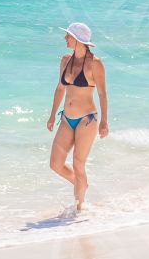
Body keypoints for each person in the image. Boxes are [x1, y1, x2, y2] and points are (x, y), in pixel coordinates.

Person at [46, 22, 108, 213]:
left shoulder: (95, 64)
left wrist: (104, 121)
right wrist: (51, 115)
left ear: (79, 40)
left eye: (68, 36)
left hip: (86, 119)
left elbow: (102, 94)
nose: (65, 38)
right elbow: (60, 88)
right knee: (55, 164)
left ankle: (79, 208)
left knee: (78, 163)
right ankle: (80, 184)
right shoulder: (65, 60)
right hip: (66, 118)